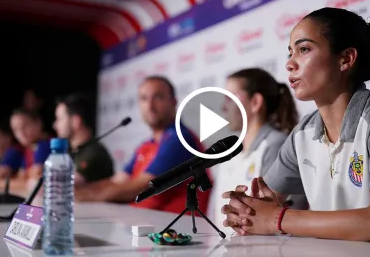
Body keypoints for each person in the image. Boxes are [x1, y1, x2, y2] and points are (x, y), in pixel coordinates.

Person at [221, 7, 370, 255]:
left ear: (346, 59)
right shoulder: (303, 133)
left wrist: (277, 219)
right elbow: (262, 206)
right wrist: (247, 212)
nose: (290, 64)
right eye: (290, 53)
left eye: (304, 50)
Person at [76, 76, 211, 214]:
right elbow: (118, 181)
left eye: (158, 97)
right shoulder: (146, 145)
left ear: (173, 102)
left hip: (174, 232)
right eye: (144, 99)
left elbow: (138, 188)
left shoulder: (179, 139)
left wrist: (78, 195)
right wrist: (77, 191)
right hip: (144, 226)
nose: (150, 106)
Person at [209, 68, 299, 235]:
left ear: (255, 102)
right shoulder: (228, 150)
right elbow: (214, 212)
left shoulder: (275, 144)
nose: (223, 106)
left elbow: (264, 216)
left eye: (230, 98)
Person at [53, 93, 114, 187]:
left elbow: (64, 185)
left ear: (75, 121)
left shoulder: (94, 152)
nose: (55, 125)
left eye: (60, 119)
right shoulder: (70, 152)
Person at [7, 108, 51, 191]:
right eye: (15, 129)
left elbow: (36, 174)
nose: (21, 132)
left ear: (38, 123)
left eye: (25, 126)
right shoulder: (29, 148)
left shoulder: (47, 145)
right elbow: (21, 176)